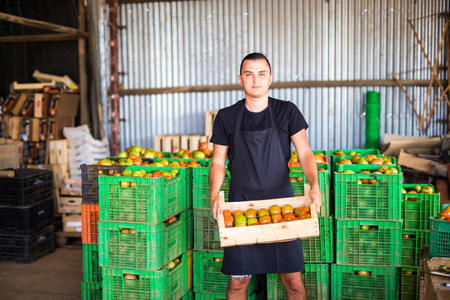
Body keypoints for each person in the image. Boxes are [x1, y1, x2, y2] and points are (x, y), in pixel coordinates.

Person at [209, 52, 321, 300]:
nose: (255, 80)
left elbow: (305, 153)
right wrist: (215, 193)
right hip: (239, 206)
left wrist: (314, 185)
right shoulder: (226, 117)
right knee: (238, 283)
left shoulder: (287, 111)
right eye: (249, 74)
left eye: (261, 74)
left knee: (293, 281)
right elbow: (218, 161)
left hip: (283, 206)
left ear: (270, 78)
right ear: (240, 79)